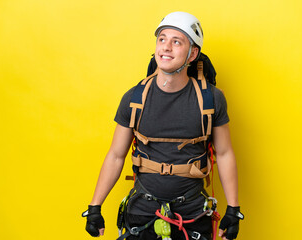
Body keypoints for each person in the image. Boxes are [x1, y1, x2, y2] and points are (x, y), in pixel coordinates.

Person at [82, 12, 243, 240]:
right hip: (142, 211)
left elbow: (225, 153)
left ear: (192, 53)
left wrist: (234, 210)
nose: (166, 47)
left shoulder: (211, 100)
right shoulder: (134, 98)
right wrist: (95, 206)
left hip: (193, 213)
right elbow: (116, 155)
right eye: (162, 39)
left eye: (176, 42)